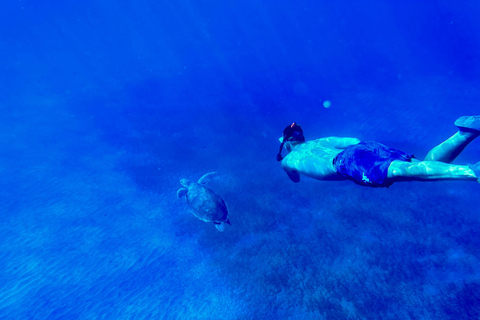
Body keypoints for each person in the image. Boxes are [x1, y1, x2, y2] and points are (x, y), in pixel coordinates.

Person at [277, 117, 480, 188]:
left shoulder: (289, 159)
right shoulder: (323, 140)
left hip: (347, 163)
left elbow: (295, 179)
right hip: (364, 148)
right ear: (302, 137)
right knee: (420, 166)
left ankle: (472, 172)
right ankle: (464, 134)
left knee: (412, 171)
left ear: (287, 143)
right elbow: (354, 141)